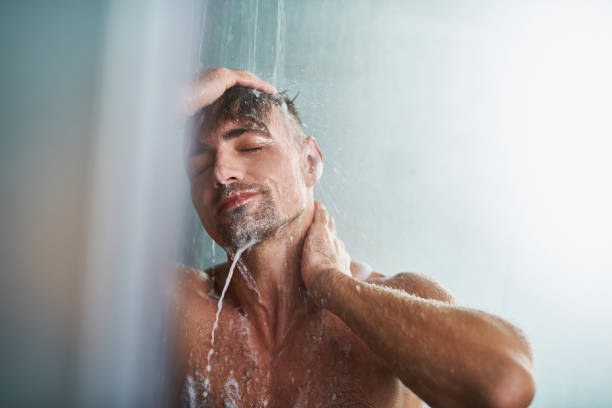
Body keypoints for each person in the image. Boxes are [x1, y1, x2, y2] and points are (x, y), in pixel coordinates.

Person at [173, 67, 535, 408]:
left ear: (310, 162)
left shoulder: (398, 302)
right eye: (199, 165)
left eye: (251, 146)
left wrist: (332, 285)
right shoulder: (181, 305)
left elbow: (504, 386)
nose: (221, 172)